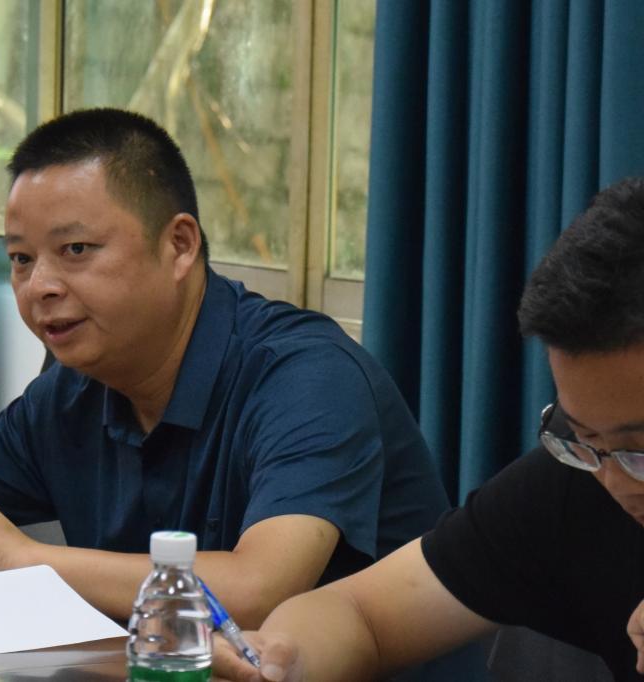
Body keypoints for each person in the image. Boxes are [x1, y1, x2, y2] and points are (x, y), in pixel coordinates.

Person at [0, 107, 450, 626]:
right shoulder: (69, 390)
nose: (40, 286)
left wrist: (14, 555)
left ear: (179, 245)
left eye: (75, 249)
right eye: (20, 259)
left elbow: (259, 591)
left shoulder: (307, 377)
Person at [213, 176, 644, 682]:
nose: (615, 480)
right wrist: (287, 657)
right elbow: (361, 613)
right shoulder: (572, 481)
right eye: (585, 437)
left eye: (638, 450)